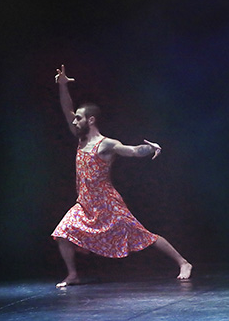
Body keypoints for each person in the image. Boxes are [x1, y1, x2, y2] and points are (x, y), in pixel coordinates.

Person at [51, 65, 192, 288]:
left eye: (79, 118)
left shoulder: (104, 143)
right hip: (85, 204)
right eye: (75, 119)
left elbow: (132, 150)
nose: (74, 121)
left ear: (91, 120)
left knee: (144, 236)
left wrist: (151, 148)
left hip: (108, 204)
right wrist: (62, 86)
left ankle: (183, 262)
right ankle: (73, 274)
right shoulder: (80, 139)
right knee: (62, 232)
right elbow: (65, 107)